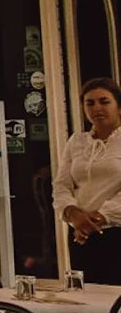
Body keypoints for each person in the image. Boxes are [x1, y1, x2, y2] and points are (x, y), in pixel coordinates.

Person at [56, 76, 121, 284]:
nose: (97, 108)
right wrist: (72, 212)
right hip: (81, 233)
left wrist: (100, 217)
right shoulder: (77, 142)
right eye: (90, 103)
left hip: (115, 229)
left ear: (118, 106)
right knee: (87, 298)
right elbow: (61, 184)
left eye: (104, 101)